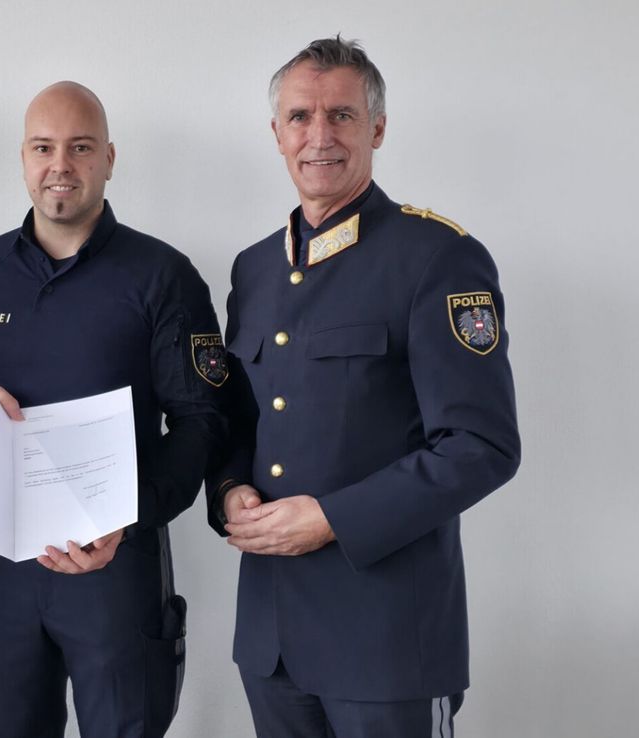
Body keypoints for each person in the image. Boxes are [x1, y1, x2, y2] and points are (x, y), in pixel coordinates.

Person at [206, 36, 521, 738]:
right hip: (273, 641)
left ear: (377, 128)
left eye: (342, 116)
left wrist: (331, 519)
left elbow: (482, 445)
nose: (319, 136)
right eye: (300, 117)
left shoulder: (437, 257)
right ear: (276, 134)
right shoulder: (254, 270)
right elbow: (239, 420)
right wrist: (229, 490)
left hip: (387, 645)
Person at [0, 81, 225, 738]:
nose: (59, 165)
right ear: (24, 157)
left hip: (117, 575)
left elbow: (202, 421)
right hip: (4, 585)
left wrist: (129, 514)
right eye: (43, 147)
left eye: (80, 147)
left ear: (109, 158)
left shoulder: (161, 276)